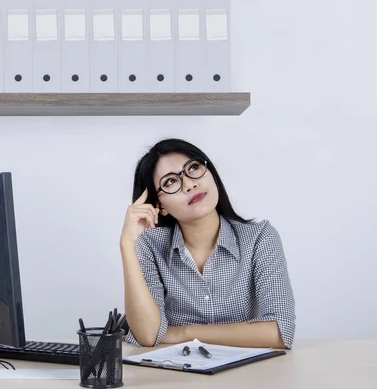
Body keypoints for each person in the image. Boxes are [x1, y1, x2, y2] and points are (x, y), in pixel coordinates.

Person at [120, 138, 295, 349]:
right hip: (176, 375)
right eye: (170, 182)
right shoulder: (150, 246)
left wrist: (183, 333)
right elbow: (148, 336)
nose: (189, 184)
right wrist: (127, 243)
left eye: (193, 168)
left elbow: (280, 332)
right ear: (160, 206)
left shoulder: (259, 237)